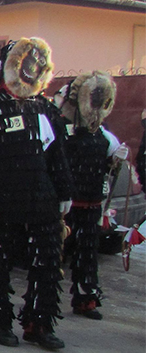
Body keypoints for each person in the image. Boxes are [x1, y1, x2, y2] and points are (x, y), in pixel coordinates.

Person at [0, 38, 73, 350]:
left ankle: (40, 323)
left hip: (43, 199)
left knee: (48, 262)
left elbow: (57, 155)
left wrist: (64, 192)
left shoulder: (46, 108)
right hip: (1, 200)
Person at [58, 71, 127, 321]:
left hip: (91, 202)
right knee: (54, 251)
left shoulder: (104, 135)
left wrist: (116, 162)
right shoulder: (64, 130)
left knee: (88, 253)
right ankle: (44, 304)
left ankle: (85, 298)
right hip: (66, 202)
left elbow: (110, 164)